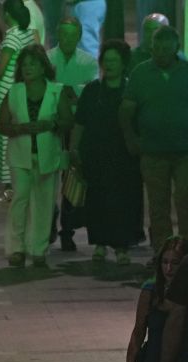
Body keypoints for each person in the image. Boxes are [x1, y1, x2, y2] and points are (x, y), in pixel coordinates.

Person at [0, 44, 76, 267]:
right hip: (20, 155)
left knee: (44, 202)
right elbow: (1, 124)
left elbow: (68, 120)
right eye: (25, 64)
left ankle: (39, 248)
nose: (28, 68)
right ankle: (16, 248)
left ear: (44, 68)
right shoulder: (14, 92)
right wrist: (20, 129)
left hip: (47, 155)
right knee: (20, 198)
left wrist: (51, 124)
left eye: (34, 64)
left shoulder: (56, 91)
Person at [71, 39, 143, 264]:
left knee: (125, 199)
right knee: (98, 198)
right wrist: (74, 149)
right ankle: (100, 244)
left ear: (124, 64)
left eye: (114, 60)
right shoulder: (92, 91)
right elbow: (80, 123)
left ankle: (122, 247)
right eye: (106, 60)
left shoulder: (131, 89)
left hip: (125, 156)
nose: (109, 65)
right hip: (96, 155)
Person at [120, 26, 188, 253]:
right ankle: (163, 254)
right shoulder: (140, 73)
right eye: (156, 49)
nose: (160, 53)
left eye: (166, 49)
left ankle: (185, 253)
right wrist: (131, 139)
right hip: (152, 152)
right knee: (158, 207)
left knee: (185, 203)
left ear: (176, 48)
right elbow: (126, 111)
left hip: (184, 152)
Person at [47, 17, 99, 252]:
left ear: (78, 36)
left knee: (71, 181)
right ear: (58, 34)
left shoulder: (88, 61)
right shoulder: (48, 59)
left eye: (72, 35)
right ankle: (48, 223)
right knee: (48, 178)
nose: (67, 39)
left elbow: (88, 95)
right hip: (52, 126)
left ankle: (67, 230)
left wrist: (68, 92)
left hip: (75, 128)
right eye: (64, 34)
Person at [0, 0, 40, 189]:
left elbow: (1, 68)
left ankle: (10, 183)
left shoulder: (12, 38)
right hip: (20, 88)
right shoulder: (28, 34)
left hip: (6, 89)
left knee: (5, 136)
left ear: (8, 15)